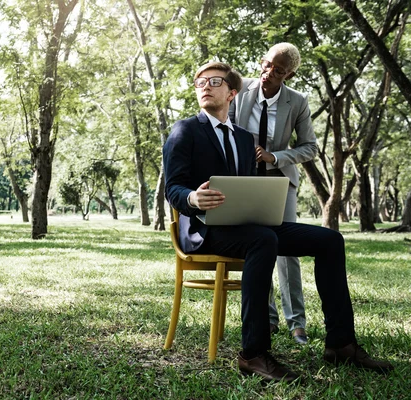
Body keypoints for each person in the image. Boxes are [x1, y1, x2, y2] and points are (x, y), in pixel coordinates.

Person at [162, 61, 393, 382]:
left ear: (232, 93)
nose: (205, 86)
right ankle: (253, 353)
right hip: (204, 230)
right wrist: (192, 198)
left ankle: (340, 344)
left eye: (214, 81)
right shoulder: (185, 130)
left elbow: (247, 189)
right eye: (199, 82)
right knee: (263, 240)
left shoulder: (245, 139)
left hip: (247, 225)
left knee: (329, 241)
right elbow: (172, 187)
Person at [229, 43, 316, 345]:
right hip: (243, 181)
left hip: (279, 180)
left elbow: (309, 147)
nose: (269, 73)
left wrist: (274, 157)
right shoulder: (239, 90)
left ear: (289, 74)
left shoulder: (298, 102)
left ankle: (297, 324)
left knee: (287, 249)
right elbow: (223, 127)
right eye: (267, 65)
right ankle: (267, 319)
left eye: (278, 70)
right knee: (258, 246)